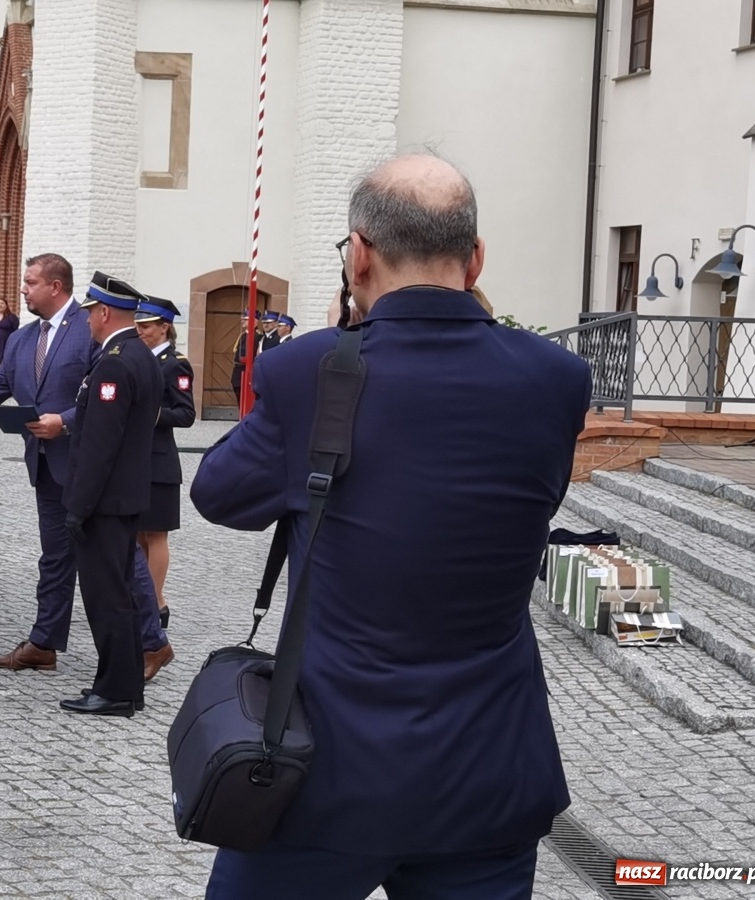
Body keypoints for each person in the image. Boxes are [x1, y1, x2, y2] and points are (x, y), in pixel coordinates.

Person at [193, 155, 588, 898]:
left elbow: (219, 495)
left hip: (326, 776)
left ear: (359, 255)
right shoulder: (556, 378)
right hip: (489, 773)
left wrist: (332, 362)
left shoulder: (308, 371)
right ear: (475, 258)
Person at [0, 253, 92, 671]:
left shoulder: (90, 329)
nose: (23, 290)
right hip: (46, 465)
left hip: (88, 465)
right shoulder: (22, 338)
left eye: (30, 282)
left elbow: (109, 396)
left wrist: (65, 422)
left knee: (114, 555)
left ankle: (151, 642)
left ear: (55, 286)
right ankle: (44, 643)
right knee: (55, 558)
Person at [53, 273, 161, 717]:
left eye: (89, 313)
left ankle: (115, 691)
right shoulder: (139, 354)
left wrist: (78, 507)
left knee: (107, 597)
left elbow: (99, 445)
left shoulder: (115, 363)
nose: (86, 321)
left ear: (103, 312)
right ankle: (125, 685)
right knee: (121, 592)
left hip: (105, 502)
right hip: (125, 496)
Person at [133, 296, 194, 633]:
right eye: (138, 326)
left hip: (160, 461)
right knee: (138, 533)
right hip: (138, 459)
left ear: (164, 327)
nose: (140, 331)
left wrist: (151, 415)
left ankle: (156, 602)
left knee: (155, 534)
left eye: (146, 326)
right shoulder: (140, 358)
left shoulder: (175, 364)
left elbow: (186, 413)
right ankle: (142, 598)